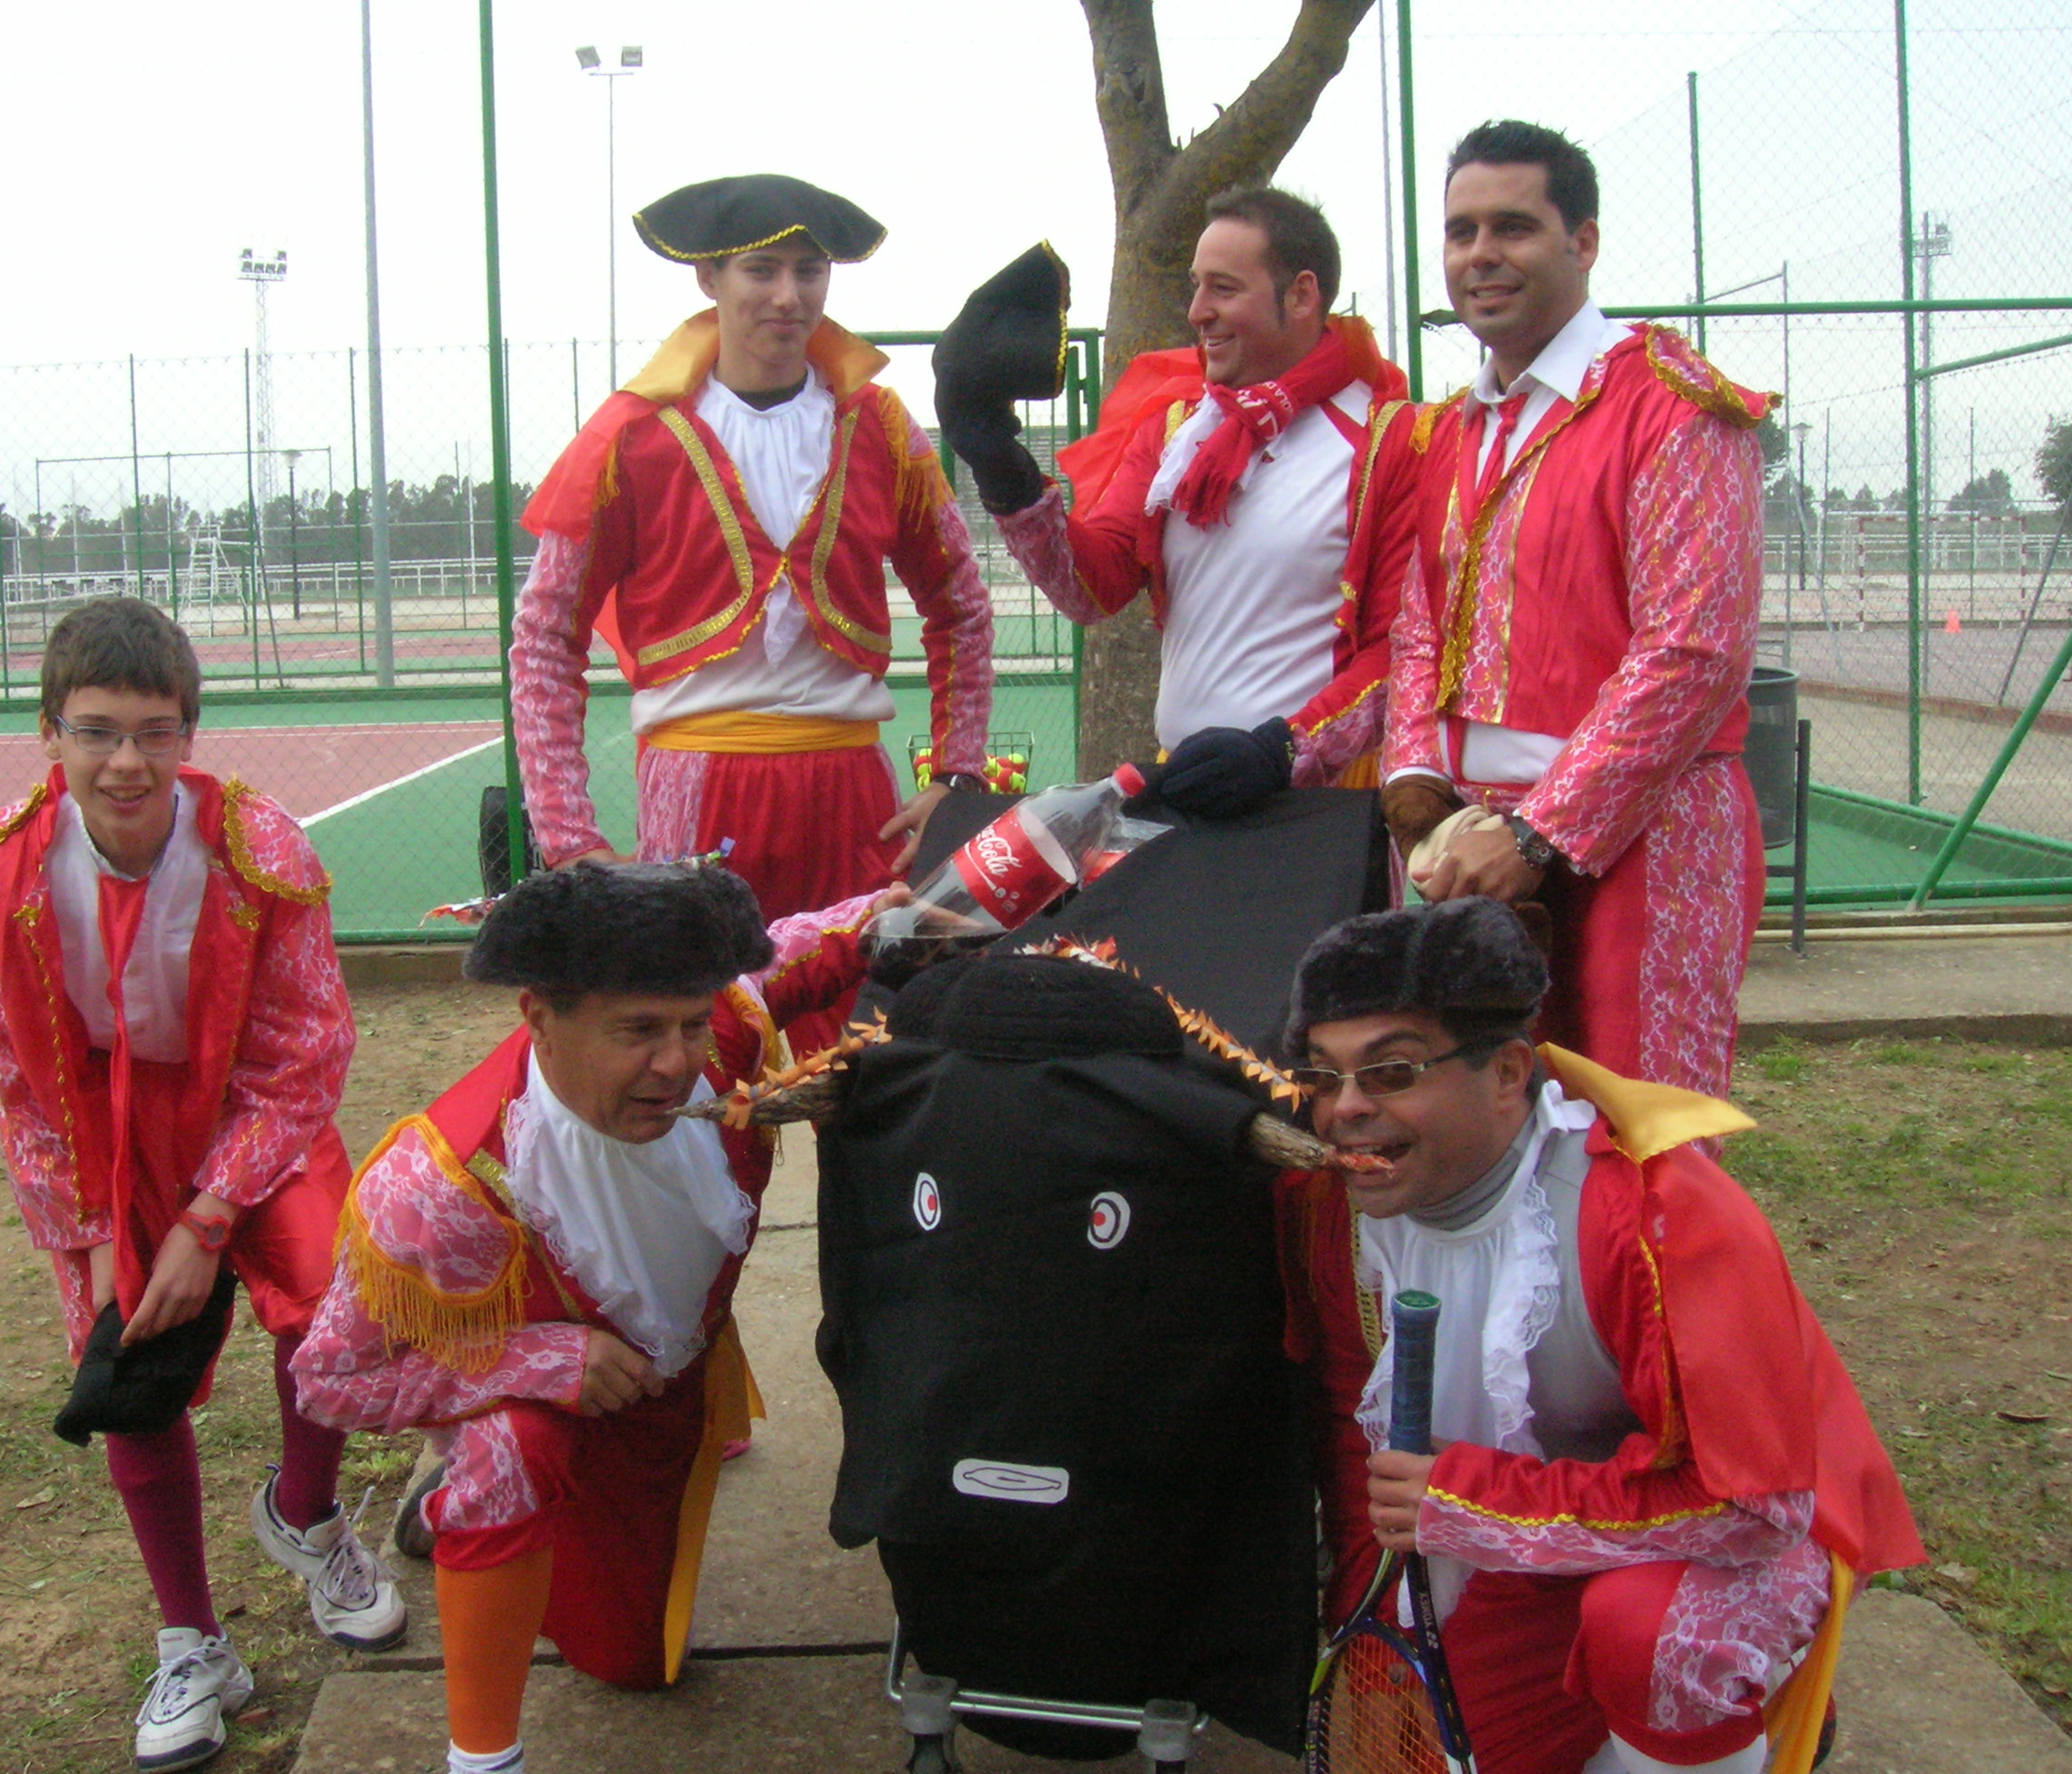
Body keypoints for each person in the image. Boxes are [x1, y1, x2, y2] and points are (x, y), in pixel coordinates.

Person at [1272, 897, 1922, 1774]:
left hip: (1755, 1514)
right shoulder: (1332, 1212)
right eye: (1323, 1076)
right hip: (1511, 1521)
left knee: (1650, 1642)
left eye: (1391, 1071)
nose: (1345, 1109)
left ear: (1508, 1073)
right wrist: (1382, 1616)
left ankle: (1744, 1712)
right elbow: (1360, 1445)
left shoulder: (1657, 1218)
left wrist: (1472, 1502)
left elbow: (1753, 1509)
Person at [0, 598, 403, 1773]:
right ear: (49, 732)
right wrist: (97, 1231)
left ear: (190, 733)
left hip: (252, 1103)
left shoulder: (258, 845)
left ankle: (307, 1512)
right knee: (130, 1356)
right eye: (95, 732)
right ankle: (193, 1640)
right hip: (104, 1130)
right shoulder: (3, 867)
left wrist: (207, 1215)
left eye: (154, 732)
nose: (126, 763)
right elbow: (20, 1078)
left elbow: (309, 1050)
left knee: (333, 1297)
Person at [292, 862, 894, 1774]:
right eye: (638, 1031)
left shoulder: (725, 1025)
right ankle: (482, 1756)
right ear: (537, 1017)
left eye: (690, 1025)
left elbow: (811, 944)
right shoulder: (440, 1185)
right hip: (574, 1409)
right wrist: (538, 1362)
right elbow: (330, 1380)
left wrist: (924, 903)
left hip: (666, 1396)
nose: (678, 1062)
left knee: (636, 1663)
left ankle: (458, 1513)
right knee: (510, 1454)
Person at [1380, 120, 1773, 1098]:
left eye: (1512, 227)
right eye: (1461, 231)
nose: (1480, 255)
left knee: (1637, 1126)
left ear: (1583, 241)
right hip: (1473, 844)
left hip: (1646, 838)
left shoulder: (1672, 403)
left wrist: (1537, 836)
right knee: (1486, 1129)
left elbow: (1694, 650)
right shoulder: (1451, 429)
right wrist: (1418, 786)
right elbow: (1421, 626)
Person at [510, 173, 997, 934]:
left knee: (857, 998)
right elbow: (545, 635)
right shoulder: (630, 437)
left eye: (809, 271)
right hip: (694, 785)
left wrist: (958, 775)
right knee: (701, 997)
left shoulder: (880, 425)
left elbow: (960, 605)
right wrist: (568, 837)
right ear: (709, 278)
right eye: (761, 271)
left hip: (854, 794)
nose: (788, 297)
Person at [937, 187, 1420, 809]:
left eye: (1224, 289)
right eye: (1195, 286)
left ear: (1302, 295)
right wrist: (1004, 468)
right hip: (1187, 781)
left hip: (1321, 800)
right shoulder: (1175, 429)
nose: (1196, 311)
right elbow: (1089, 590)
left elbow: (1400, 652)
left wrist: (1283, 751)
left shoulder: (1389, 440)